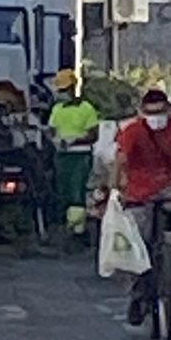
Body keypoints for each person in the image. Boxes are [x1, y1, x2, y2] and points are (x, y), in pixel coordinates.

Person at [113, 89, 171, 325]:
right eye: (150, 113)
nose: (156, 117)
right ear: (141, 113)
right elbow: (120, 161)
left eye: (160, 112)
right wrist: (116, 190)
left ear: (169, 111)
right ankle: (137, 297)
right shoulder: (132, 131)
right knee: (138, 241)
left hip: (169, 184)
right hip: (138, 189)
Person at [48, 69, 100, 241]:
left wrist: (74, 140)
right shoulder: (57, 109)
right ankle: (67, 227)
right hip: (62, 155)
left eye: (64, 90)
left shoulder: (86, 109)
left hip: (80, 155)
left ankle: (78, 231)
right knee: (63, 191)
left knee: (77, 191)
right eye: (60, 91)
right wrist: (55, 140)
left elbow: (94, 135)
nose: (62, 94)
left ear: (73, 88)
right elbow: (51, 130)